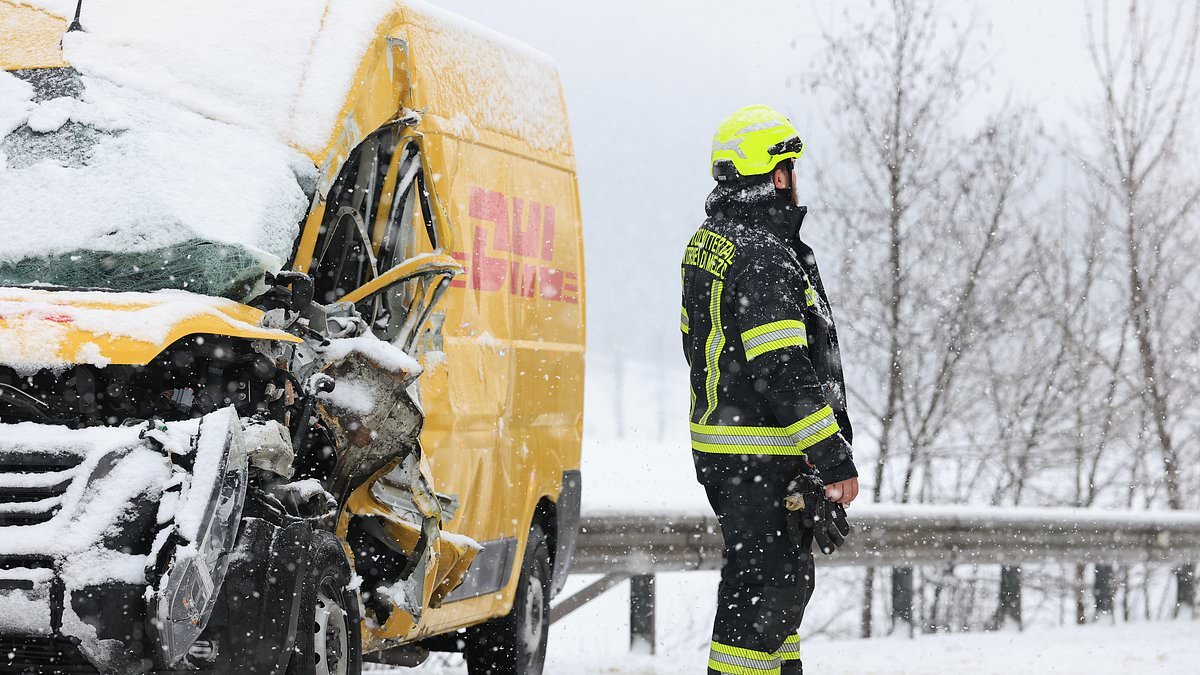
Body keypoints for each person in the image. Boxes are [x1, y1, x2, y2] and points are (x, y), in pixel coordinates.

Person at [680, 104, 859, 675]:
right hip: (761, 452)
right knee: (762, 599)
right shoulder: (762, 252)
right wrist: (832, 457)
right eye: (792, 168)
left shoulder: (712, 242)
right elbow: (782, 367)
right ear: (778, 174)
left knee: (775, 596)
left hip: (731, 447)